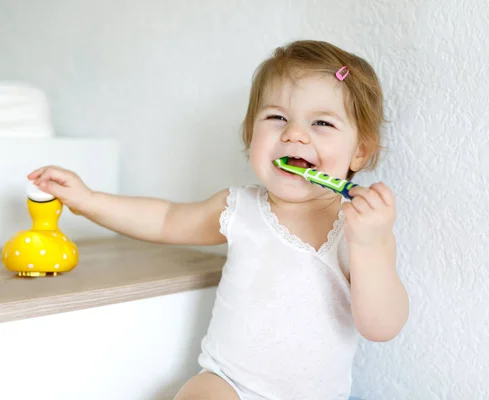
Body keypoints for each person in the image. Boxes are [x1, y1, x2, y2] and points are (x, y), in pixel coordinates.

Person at [28, 40, 409, 400]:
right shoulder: (238, 208)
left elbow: (381, 327)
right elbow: (165, 220)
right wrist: (89, 201)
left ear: (359, 151)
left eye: (321, 123)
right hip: (229, 384)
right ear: (250, 135)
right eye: (277, 117)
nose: (294, 134)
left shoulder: (360, 229)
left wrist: (369, 243)